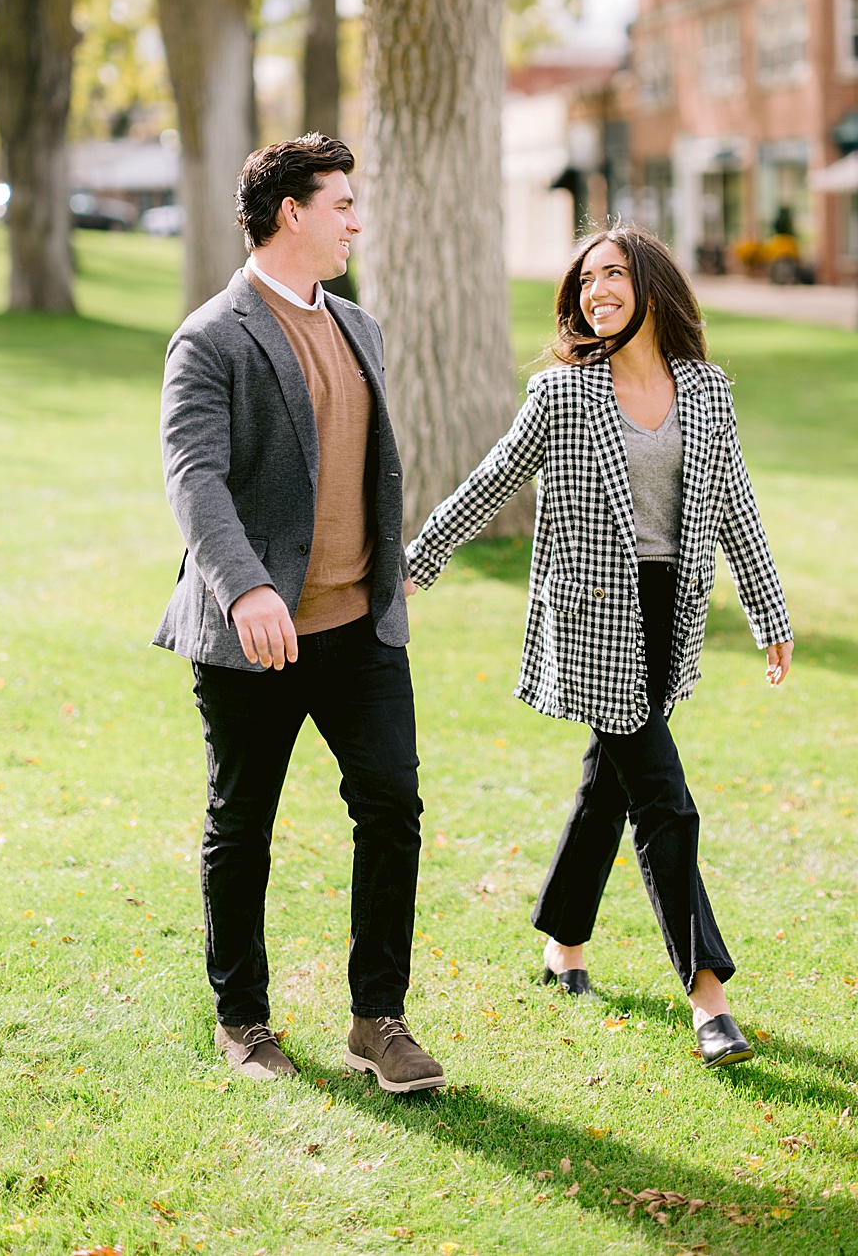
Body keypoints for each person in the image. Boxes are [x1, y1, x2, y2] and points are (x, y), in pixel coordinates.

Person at [406, 226, 792, 1068]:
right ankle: (708, 996)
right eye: (586, 280)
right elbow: (491, 481)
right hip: (593, 622)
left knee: (608, 787)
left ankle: (564, 941)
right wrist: (417, 561)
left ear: (650, 284)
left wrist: (769, 612)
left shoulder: (706, 390)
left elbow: (734, 502)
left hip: (668, 614)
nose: (596, 289)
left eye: (613, 273)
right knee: (664, 797)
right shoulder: (561, 395)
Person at [152, 133, 444, 1093]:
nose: (357, 220)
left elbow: (367, 465)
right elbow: (194, 478)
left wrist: (390, 566)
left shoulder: (362, 328)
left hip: (361, 628)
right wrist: (246, 585)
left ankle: (379, 1018)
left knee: (392, 806)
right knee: (243, 824)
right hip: (255, 638)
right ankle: (243, 1019)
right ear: (293, 212)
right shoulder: (212, 335)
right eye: (343, 204)